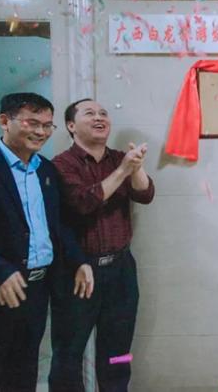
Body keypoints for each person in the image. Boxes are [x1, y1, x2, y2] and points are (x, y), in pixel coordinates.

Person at [0, 92, 93, 392]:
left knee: (21, 375)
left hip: (36, 290)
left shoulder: (46, 170)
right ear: (4, 121)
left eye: (47, 125)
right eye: (32, 123)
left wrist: (78, 260)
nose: (41, 132)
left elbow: (56, 226)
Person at [48, 98, 154, 392]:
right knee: (68, 353)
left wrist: (136, 167)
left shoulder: (120, 157)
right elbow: (83, 202)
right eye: (90, 113)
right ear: (71, 126)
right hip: (78, 271)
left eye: (103, 113)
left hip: (120, 268)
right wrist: (122, 171)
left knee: (117, 352)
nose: (99, 118)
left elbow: (145, 195)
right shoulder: (61, 164)